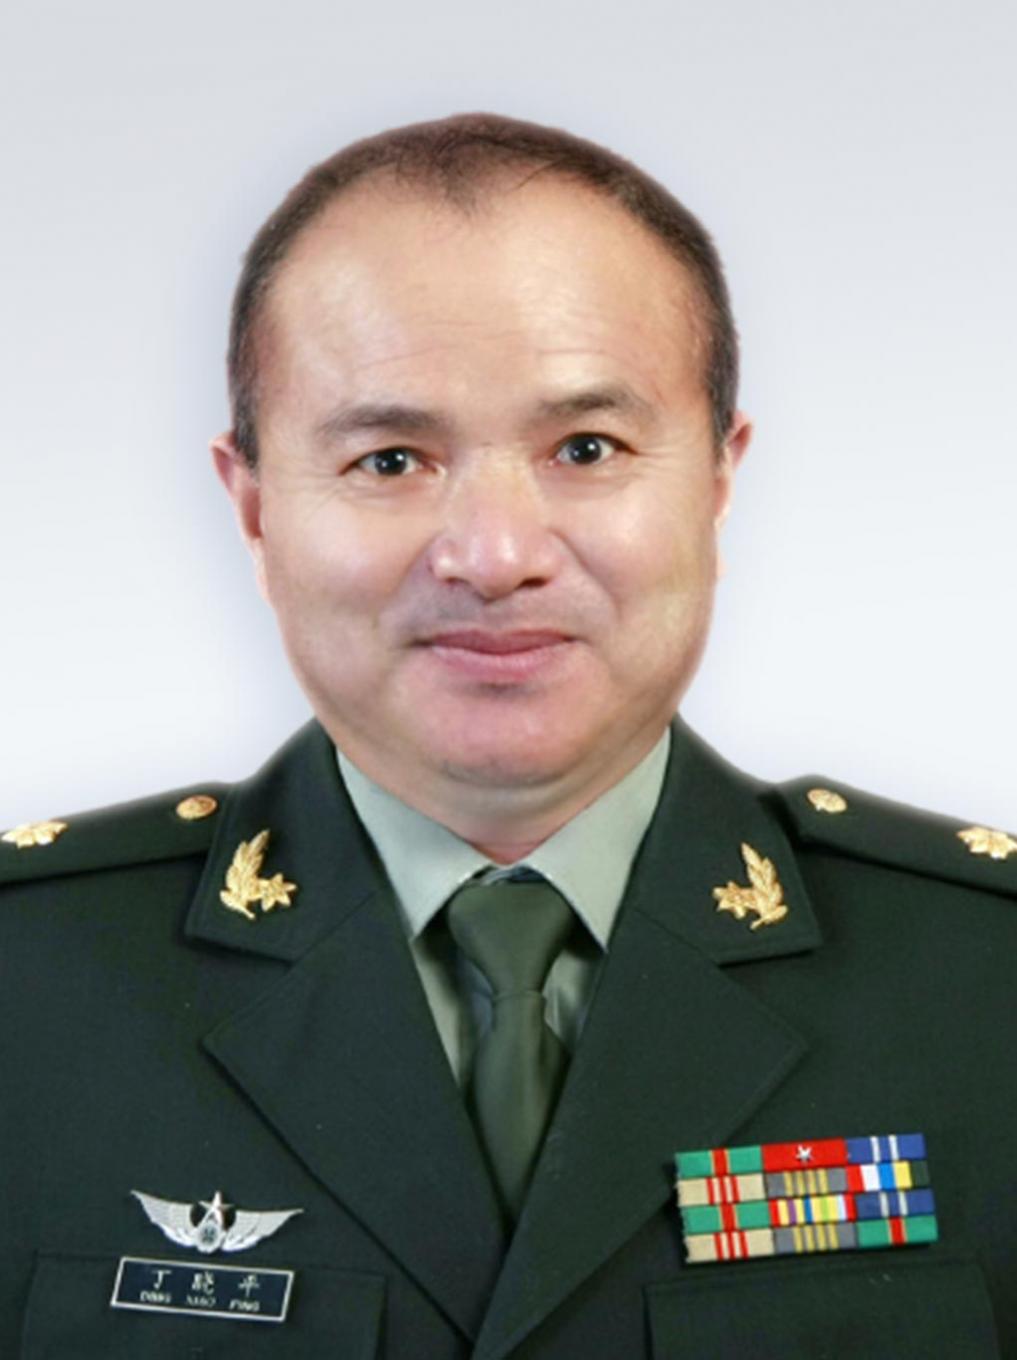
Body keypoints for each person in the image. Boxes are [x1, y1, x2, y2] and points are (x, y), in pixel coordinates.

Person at [1, 113, 1014, 1359]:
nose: (494, 555)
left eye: (587, 448)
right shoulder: (25, 981)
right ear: (255, 509)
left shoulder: (987, 980)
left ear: (716, 481)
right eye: (390, 460)